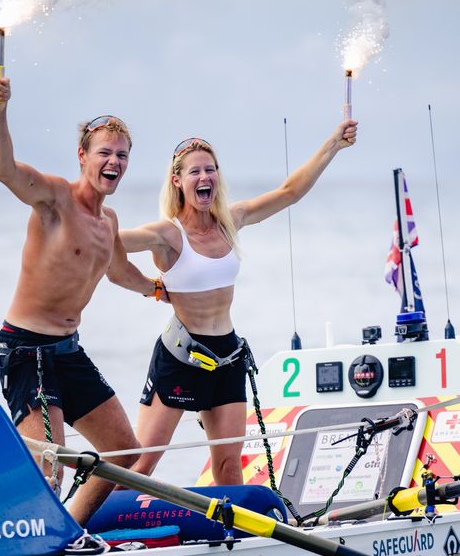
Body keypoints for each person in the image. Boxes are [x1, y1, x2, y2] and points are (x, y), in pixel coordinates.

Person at [119, 120, 358, 485]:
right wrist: (147, 287)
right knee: (141, 464)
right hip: (180, 356)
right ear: (178, 181)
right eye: (195, 171)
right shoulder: (168, 234)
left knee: (230, 467)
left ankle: (231, 540)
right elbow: (110, 243)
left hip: (227, 357)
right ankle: (94, 529)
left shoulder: (232, 220)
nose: (205, 177)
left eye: (211, 169)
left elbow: (290, 192)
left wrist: (333, 145)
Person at [0, 75, 163, 525]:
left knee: (125, 453)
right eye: (105, 152)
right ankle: (32, 547)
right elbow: (5, 170)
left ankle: (69, 532)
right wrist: (0, 111)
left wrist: (162, 291)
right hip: (26, 349)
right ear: (83, 156)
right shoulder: (55, 201)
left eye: (122, 156)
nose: (114, 162)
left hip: (68, 351)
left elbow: (121, 271)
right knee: (48, 469)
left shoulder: (108, 222)